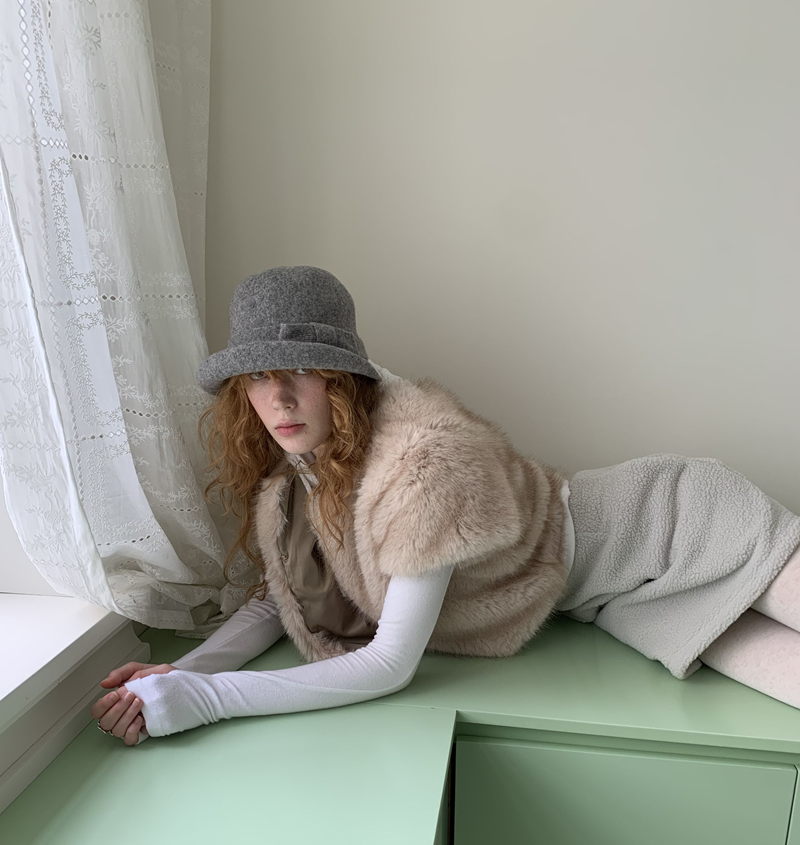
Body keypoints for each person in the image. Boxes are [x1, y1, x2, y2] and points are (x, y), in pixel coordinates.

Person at [91, 267, 800, 746]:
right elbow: (276, 601)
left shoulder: (421, 460)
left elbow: (390, 663)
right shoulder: (301, 480)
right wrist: (186, 672)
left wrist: (212, 700)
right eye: (258, 376)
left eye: (302, 370)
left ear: (342, 377)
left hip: (666, 521)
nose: (278, 398)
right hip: (610, 601)